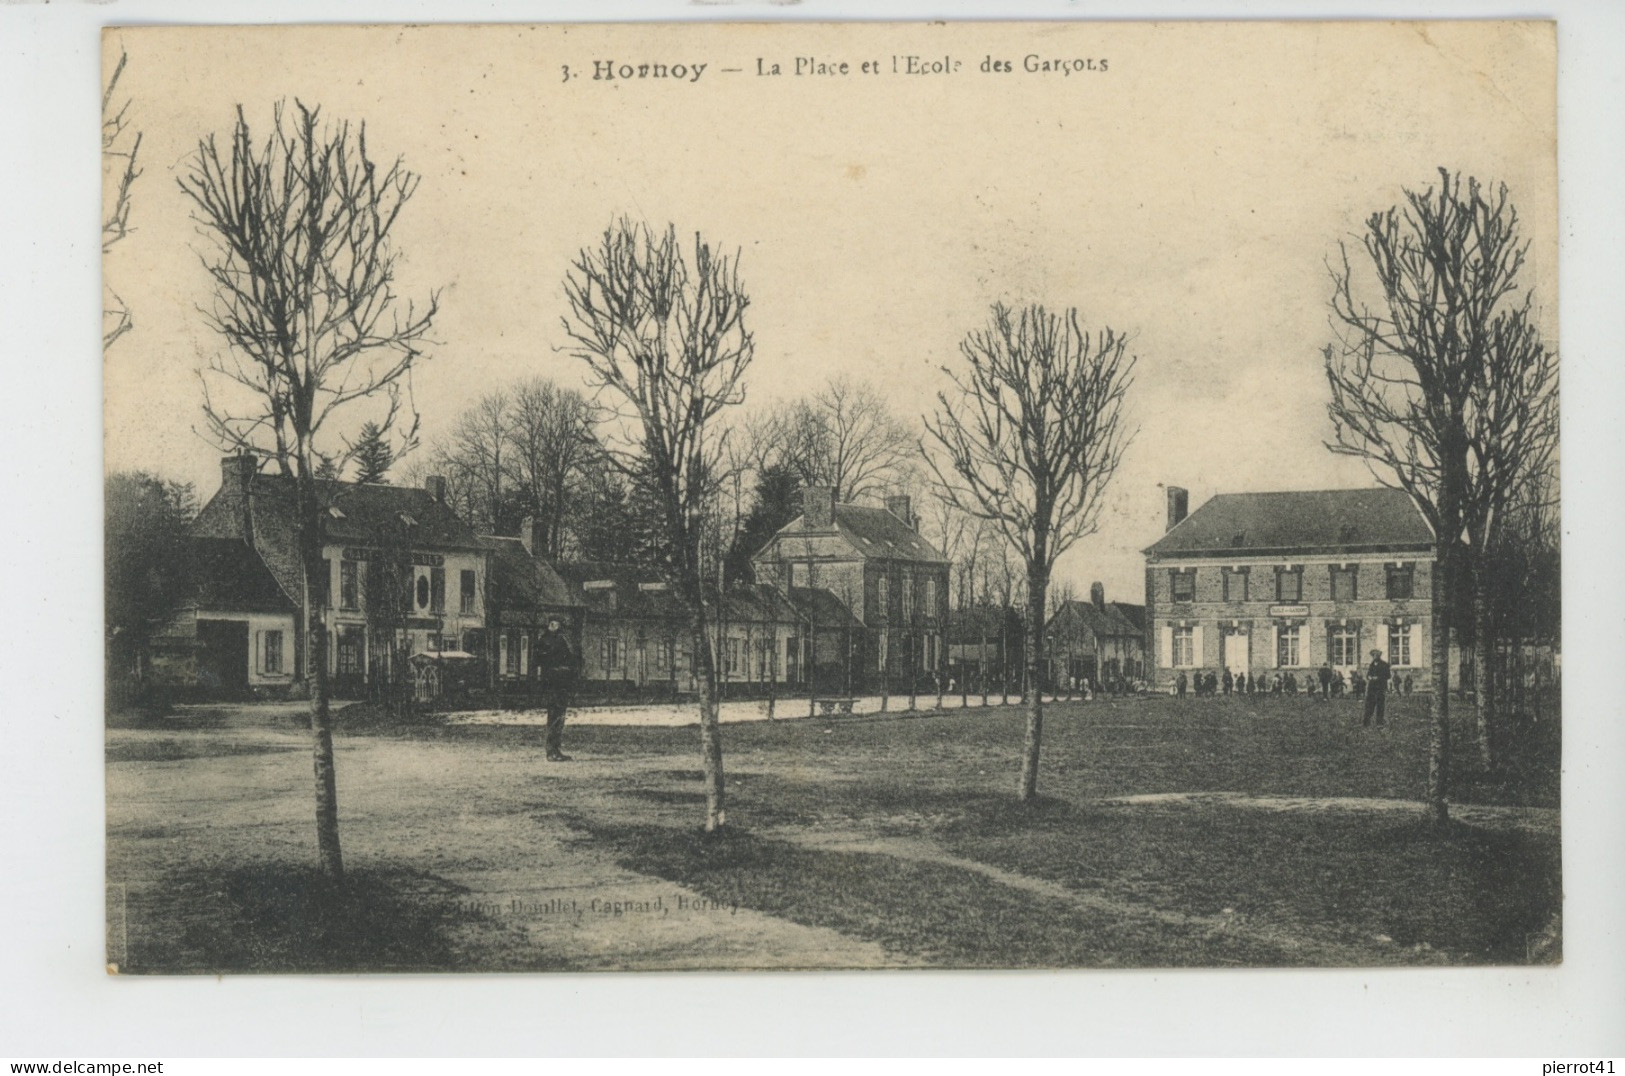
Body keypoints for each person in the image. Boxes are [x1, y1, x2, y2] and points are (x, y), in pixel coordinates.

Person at [534, 617, 580, 761]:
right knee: (554, 716)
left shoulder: (561, 640)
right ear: (549, 625)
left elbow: (570, 659)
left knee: (559, 717)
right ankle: (551, 751)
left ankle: (555, 749)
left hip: (562, 683)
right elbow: (539, 661)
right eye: (553, 624)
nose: (555, 626)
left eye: (557, 624)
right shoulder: (544, 641)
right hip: (552, 684)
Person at [1364, 648, 1391, 727]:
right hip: (1371, 688)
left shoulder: (1384, 665)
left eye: (1376, 655)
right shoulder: (1372, 665)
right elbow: (1368, 674)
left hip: (1380, 687)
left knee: (1380, 705)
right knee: (1369, 704)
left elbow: (1388, 676)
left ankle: (1379, 722)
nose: (1375, 656)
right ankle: (1366, 722)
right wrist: (1369, 677)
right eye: (1373, 655)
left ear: (1379, 656)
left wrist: (1378, 678)